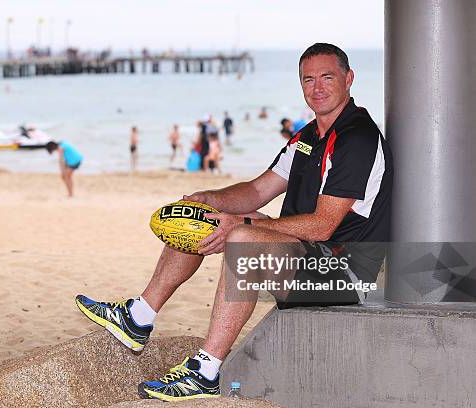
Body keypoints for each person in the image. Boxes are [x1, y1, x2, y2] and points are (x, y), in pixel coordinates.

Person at [75, 43, 393, 401]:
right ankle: (139, 316)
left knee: (242, 237)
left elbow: (322, 226)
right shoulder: (308, 137)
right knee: (202, 218)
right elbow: (258, 190)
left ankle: (207, 369)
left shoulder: (358, 138)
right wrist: (210, 199)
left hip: (342, 276)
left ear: (349, 79)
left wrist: (241, 224)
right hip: (305, 256)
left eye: (327, 77)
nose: (317, 88)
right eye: (308, 79)